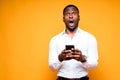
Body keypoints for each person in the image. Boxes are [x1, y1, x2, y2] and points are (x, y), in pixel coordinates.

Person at [49, 4, 98, 80]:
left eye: (74, 13)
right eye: (67, 14)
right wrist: (60, 58)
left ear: (79, 18)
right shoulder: (55, 40)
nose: (70, 16)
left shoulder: (90, 38)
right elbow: (52, 67)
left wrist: (82, 59)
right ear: (63, 19)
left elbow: (94, 65)